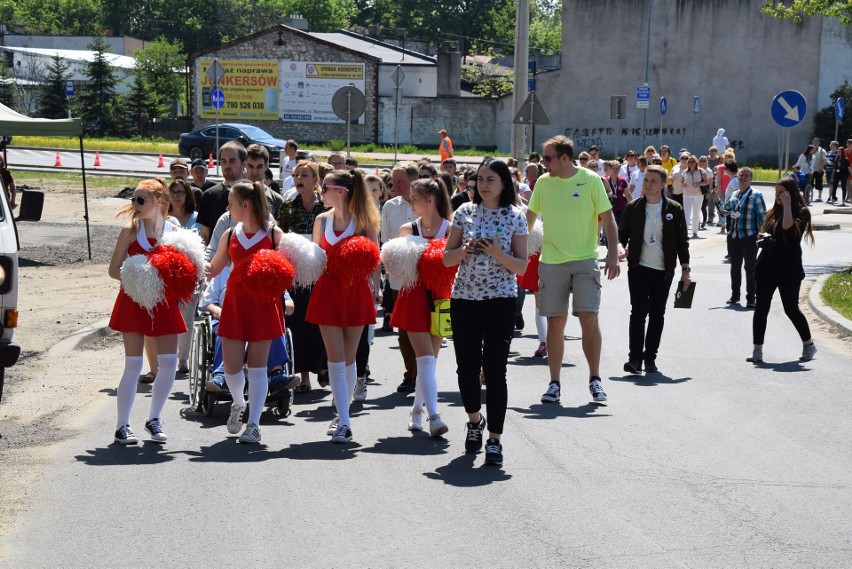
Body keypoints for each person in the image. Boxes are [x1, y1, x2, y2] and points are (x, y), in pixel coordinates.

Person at [443, 158, 528, 466]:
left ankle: (495, 439)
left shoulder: (515, 216)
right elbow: (446, 260)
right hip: (464, 298)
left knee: (494, 370)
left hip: (500, 300)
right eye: (480, 179)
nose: (483, 184)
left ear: (504, 183)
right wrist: (463, 250)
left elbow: (521, 266)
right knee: (465, 368)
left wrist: (496, 252)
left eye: (490, 179)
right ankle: (474, 420)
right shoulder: (464, 212)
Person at [526, 135, 621, 406]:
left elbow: (609, 221)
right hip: (552, 262)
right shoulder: (543, 183)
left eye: (548, 158)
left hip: (585, 260)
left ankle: (595, 379)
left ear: (564, 158)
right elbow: (528, 222)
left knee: (589, 318)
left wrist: (612, 255)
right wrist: (514, 255)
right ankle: (554, 383)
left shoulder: (590, 180)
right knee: (556, 322)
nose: (543, 163)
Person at [205, 180, 287, 444]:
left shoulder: (274, 235)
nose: (227, 208)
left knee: (257, 367)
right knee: (231, 367)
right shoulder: (230, 234)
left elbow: (290, 268)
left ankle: (254, 423)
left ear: (246, 205)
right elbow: (214, 268)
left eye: (230, 203)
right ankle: (239, 403)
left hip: (264, 305)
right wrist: (188, 264)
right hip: (236, 304)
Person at [108, 179, 187, 444]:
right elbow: (113, 269)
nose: (135, 205)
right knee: (133, 364)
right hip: (134, 300)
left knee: (169, 363)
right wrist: (139, 278)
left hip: (164, 303)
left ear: (160, 203)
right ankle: (122, 426)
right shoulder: (130, 231)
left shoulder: (175, 230)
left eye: (141, 200)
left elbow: (186, 267)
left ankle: (154, 418)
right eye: (134, 200)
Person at [307, 169, 381, 443]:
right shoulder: (321, 220)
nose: (321, 192)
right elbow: (315, 259)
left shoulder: (364, 222)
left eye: (324, 187)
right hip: (328, 293)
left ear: (340, 191)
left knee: (349, 361)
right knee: (335, 359)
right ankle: (345, 422)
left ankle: (342, 416)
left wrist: (377, 290)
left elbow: (375, 259)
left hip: (355, 292)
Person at [391, 179, 453, 437]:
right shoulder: (408, 229)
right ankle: (434, 416)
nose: (410, 203)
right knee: (425, 359)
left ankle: (417, 410)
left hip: (442, 298)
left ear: (431, 200)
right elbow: (398, 269)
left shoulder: (453, 230)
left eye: (414, 198)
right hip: (413, 298)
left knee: (429, 362)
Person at [617, 165, 691, 374]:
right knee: (638, 313)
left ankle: (650, 358)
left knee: (657, 314)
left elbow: (682, 242)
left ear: (662, 185)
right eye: (646, 180)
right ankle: (634, 359)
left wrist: (685, 269)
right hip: (638, 269)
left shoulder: (674, 209)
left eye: (653, 181)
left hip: (663, 271)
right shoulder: (634, 207)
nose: (648, 185)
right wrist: (620, 248)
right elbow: (622, 235)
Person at [747, 178, 817, 363]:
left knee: (791, 309)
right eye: (776, 192)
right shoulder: (773, 212)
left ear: (791, 193)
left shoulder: (802, 212)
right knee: (761, 308)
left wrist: (787, 205)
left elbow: (789, 230)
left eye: (782, 192)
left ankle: (808, 344)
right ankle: (757, 350)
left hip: (789, 270)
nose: (778, 196)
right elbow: (768, 232)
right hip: (767, 267)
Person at [275, 161, 329, 393]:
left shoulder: (325, 209)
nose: (299, 179)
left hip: (320, 271)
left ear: (316, 180)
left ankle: (323, 366)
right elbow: (280, 239)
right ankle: (304, 375)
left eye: (304, 175)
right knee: (298, 322)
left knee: (320, 321)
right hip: (295, 273)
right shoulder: (287, 206)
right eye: (296, 175)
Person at [381, 162, 418, 392]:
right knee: (403, 327)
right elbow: (385, 241)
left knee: (424, 327)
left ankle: (424, 373)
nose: (395, 186)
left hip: (424, 276)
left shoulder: (426, 202)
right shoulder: (389, 206)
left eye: (400, 181)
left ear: (413, 181)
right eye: (393, 182)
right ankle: (410, 374)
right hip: (398, 277)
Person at [717, 167, 766, 308]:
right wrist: (716, 200)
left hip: (750, 237)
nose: (743, 177)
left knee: (750, 268)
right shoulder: (734, 195)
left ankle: (751, 298)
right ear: (737, 178)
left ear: (751, 178)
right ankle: (735, 296)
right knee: (735, 267)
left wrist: (761, 234)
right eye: (741, 175)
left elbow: (763, 218)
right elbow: (724, 213)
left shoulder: (757, 195)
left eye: (746, 175)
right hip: (734, 236)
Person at [168, 178, 202, 374]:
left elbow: (204, 244)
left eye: (180, 192)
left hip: (191, 275)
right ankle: (169, 356)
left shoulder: (197, 218)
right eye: (173, 193)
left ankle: (183, 359)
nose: (176, 197)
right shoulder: (164, 219)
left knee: (187, 318)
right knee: (170, 317)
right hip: (169, 275)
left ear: (187, 195)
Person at [197, 141, 246, 245]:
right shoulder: (209, 195)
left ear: (243, 164)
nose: (227, 165)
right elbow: (205, 234)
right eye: (223, 161)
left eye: (232, 161)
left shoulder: (253, 194)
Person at [245, 144, 284, 219]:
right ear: (245, 165)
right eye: (251, 166)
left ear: (266, 165)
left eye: (259, 167)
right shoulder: (234, 195)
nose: (255, 172)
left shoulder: (276, 200)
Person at [681, 155, 706, 238]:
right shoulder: (685, 172)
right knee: (686, 213)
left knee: (696, 213)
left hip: (698, 194)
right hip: (687, 194)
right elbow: (681, 182)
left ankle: (695, 231)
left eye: (693, 161)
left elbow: (706, 182)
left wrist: (699, 183)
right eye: (690, 162)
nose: (691, 163)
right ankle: (685, 231)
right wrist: (683, 184)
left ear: (696, 162)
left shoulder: (701, 171)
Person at [811, 138, 827, 203]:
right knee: (809, 184)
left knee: (819, 184)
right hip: (810, 170)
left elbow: (824, 160)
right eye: (814, 142)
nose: (815, 143)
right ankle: (809, 196)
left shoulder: (822, 151)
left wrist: (821, 168)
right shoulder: (810, 149)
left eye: (816, 142)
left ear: (819, 143)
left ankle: (819, 197)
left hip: (819, 170)